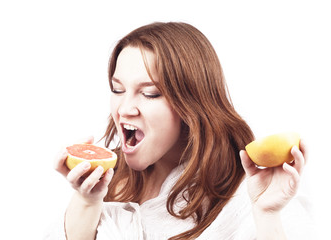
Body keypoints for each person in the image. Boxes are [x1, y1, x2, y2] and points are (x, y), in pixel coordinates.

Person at [46, 22, 313, 240]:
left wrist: (267, 215)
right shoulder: (106, 180)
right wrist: (87, 201)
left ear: (192, 103)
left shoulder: (246, 195)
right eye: (118, 89)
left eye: (150, 94)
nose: (124, 108)